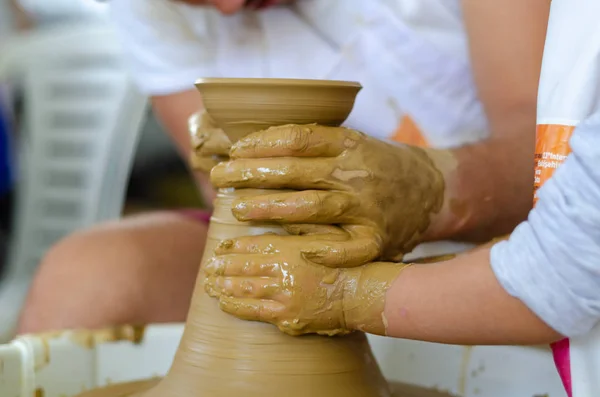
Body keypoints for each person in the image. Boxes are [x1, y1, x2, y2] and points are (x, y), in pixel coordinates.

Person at [17, 0, 549, 333]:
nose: (228, 7)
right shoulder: (145, 8)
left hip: (508, 236)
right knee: (85, 279)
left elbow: (552, 156)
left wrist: (431, 191)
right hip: (304, 243)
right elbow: (220, 192)